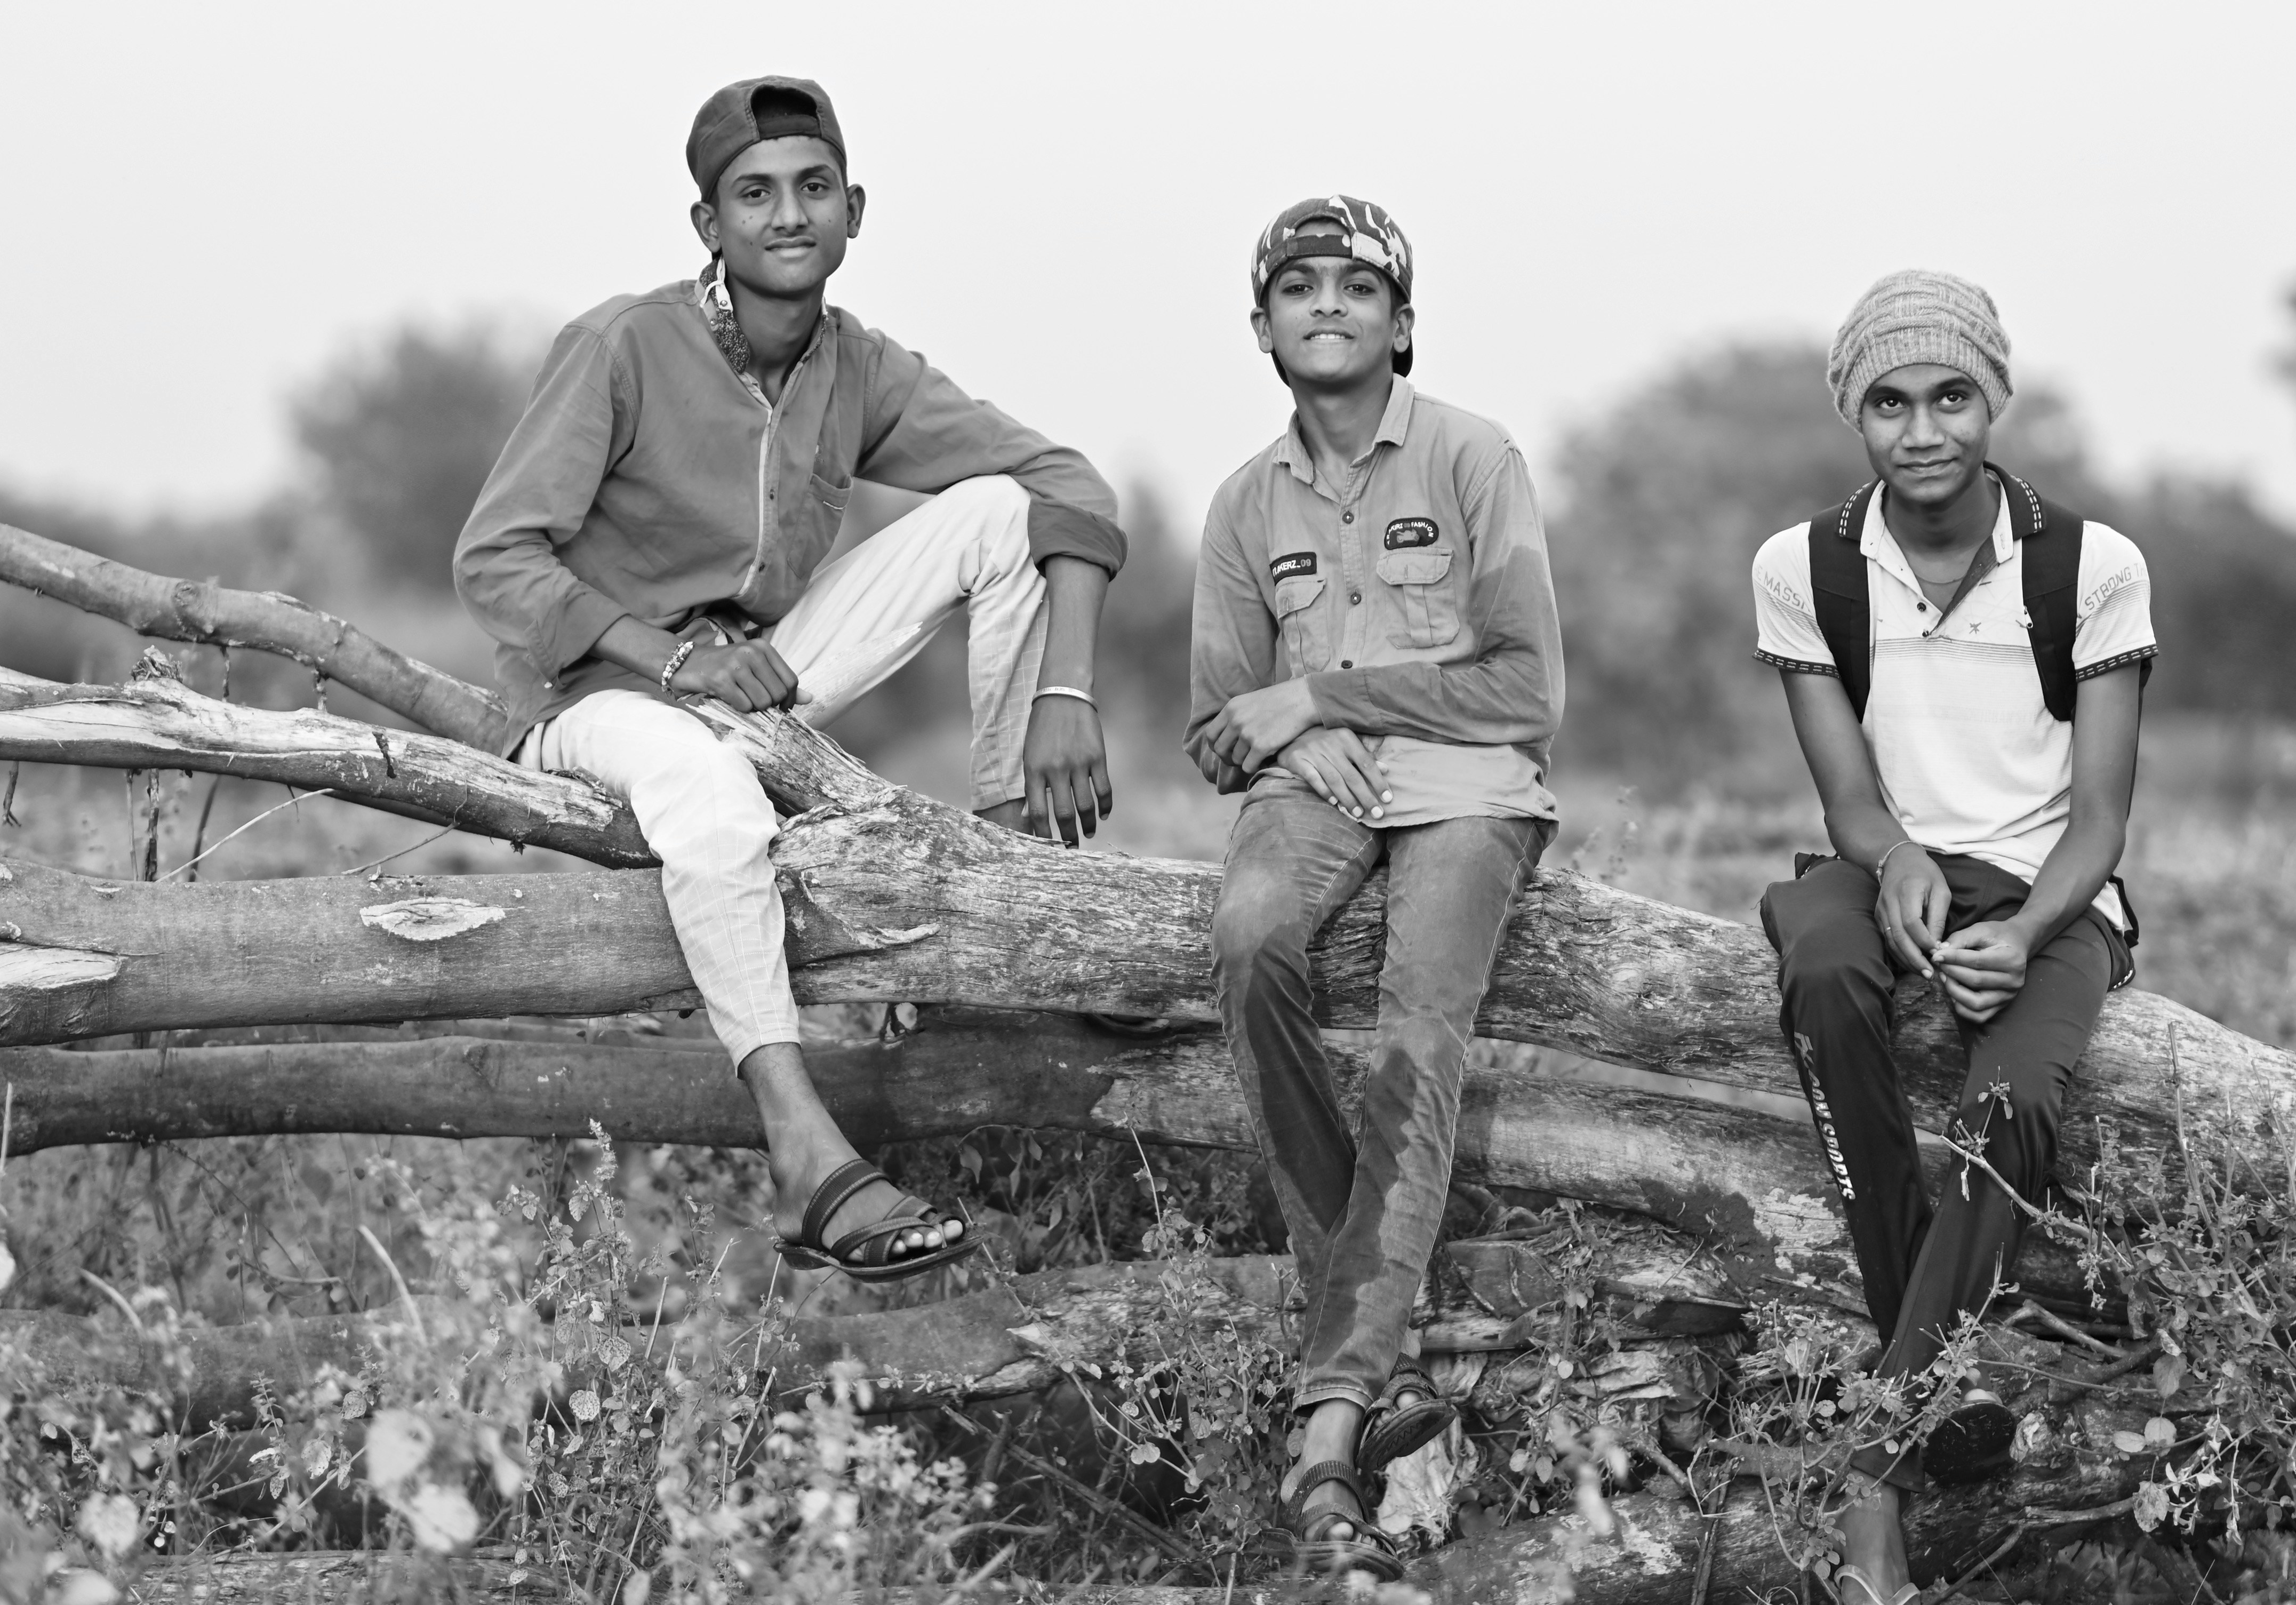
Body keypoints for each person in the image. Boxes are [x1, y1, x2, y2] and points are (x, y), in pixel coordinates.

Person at [454, 76, 1126, 1283]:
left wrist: (1066, 696)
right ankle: (808, 1157)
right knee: (712, 793)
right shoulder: (620, 344)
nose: (786, 215)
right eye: (753, 194)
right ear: (708, 222)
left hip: (754, 678)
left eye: (812, 188)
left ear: (853, 212)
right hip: (592, 698)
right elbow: (495, 557)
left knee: (998, 512)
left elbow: (1066, 488)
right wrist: (670, 658)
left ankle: (1018, 873)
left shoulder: (856, 366)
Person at [1750, 272, 2155, 1603]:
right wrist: (1898, 858)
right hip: (1887, 870)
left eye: (1949, 396)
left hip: (2051, 891)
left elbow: (2097, 825)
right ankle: (1918, 1349)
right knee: (1816, 965)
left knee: (2011, 1099)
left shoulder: (2087, 567)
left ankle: (1874, 1456)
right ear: (1851, 414)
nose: (1920, 430)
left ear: (1996, 400)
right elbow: (1851, 802)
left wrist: (2027, 929)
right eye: (1887, 401)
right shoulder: (1804, 565)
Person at [1188, 196, 1565, 1581]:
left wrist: (1323, 691)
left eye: (1359, 286)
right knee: (1246, 945)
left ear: (1402, 321)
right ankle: (1366, 1330)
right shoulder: (1243, 504)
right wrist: (1296, 726)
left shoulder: (1474, 457)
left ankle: (1334, 1402)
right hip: (1315, 795)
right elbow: (1218, 724)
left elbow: (1527, 688)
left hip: (1468, 794)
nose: (1328, 304)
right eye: (1297, 286)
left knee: (1417, 1024)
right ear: (1261, 327)